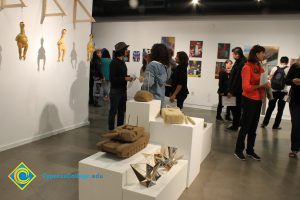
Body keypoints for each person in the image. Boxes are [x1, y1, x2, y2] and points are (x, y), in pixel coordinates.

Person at [234, 45, 271, 161]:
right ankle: (238, 150)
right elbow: (246, 87)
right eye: (262, 53)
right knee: (245, 126)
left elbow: (264, 77)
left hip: (258, 100)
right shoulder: (246, 67)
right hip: (249, 99)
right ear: (257, 54)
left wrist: (266, 82)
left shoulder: (258, 66)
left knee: (253, 127)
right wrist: (262, 85)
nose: (264, 55)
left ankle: (250, 150)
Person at [108, 42, 134, 131]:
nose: (127, 51)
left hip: (123, 90)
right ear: (121, 51)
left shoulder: (122, 61)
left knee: (122, 112)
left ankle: (119, 130)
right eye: (126, 49)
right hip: (116, 91)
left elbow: (121, 75)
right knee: (113, 112)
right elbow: (113, 79)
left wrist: (128, 77)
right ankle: (111, 131)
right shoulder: (114, 62)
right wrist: (125, 78)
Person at [261, 56, 290, 129]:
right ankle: (276, 125)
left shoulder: (275, 68)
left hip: (273, 91)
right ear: (287, 62)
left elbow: (270, 78)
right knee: (280, 110)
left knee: (270, 108)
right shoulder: (288, 69)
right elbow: (289, 81)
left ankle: (264, 123)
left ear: (280, 61)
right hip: (284, 92)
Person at [227, 47, 247, 131]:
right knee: (234, 107)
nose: (232, 56)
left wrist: (231, 91)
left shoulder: (241, 62)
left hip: (237, 90)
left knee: (235, 108)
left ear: (237, 54)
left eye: (233, 54)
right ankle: (237, 123)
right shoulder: (240, 61)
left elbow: (237, 78)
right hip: (236, 90)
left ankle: (235, 125)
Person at [285, 56, 300, 158]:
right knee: (296, 124)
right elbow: (286, 80)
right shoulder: (295, 66)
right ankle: (294, 149)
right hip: (295, 100)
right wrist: (293, 81)